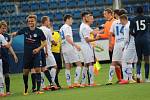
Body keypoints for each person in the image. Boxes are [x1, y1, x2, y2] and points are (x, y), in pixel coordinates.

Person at [11, 15, 47, 95]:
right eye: (29, 21)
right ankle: (26, 88)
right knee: (25, 72)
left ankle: (38, 89)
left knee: (38, 70)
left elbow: (45, 42)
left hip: (36, 55)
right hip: (27, 55)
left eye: (32, 21)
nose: (30, 22)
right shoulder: (25, 30)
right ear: (28, 22)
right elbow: (16, 33)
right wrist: (13, 34)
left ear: (35, 22)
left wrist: (38, 49)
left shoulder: (39, 31)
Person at [60, 14, 82, 88]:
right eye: (71, 19)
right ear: (68, 19)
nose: (72, 21)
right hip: (69, 48)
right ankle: (75, 82)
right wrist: (75, 45)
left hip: (64, 48)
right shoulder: (68, 27)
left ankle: (69, 84)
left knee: (67, 66)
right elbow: (67, 38)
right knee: (79, 64)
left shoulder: (61, 28)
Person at [106, 9, 127, 85]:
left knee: (113, 62)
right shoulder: (126, 22)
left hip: (117, 44)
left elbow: (110, 34)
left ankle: (109, 80)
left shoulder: (114, 22)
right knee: (126, 62)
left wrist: (110, 43)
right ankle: (127, 78)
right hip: (125, 43)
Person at [79, 13, 101, 87]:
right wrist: (96, 38)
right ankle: (91, 82)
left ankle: (83, 82)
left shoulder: (85, 26)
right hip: (86, 47)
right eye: (91, 18)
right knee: (91, 63)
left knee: (86, 64)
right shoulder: (85, 27)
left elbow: (94, 32)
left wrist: (103, 28)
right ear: (86, 18)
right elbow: (87, 39)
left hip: (86, 46)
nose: (92, 20)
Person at [130, 6, 150, 83]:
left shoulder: (133, 20)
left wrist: (136, 36)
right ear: (143, 11)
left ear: (136, 12)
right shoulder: (147, 18)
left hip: (137, 40)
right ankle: (147, 78)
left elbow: (131, 32)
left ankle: (138, 74)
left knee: (139, 58)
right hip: (146, 40)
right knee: (147, 59)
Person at [39, 16, 58, 90]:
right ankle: (52, 82)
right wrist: (55, 43)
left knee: (43, 68)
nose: (49, 22)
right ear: (46, 21)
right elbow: (52, 41)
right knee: (54, 66)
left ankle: (43, 86)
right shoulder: (47, 30)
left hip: (40, 50)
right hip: (47, 50)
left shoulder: (39, 29)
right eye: (49, 21)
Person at [0, 20, 18, 95]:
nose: (4, 30)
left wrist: (14, 55)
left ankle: (7, 91)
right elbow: (8, 45)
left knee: (6, 74)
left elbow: (9, 47)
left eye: (5, 28)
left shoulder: (6, 36)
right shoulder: (1, 36)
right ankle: (2, 91)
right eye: (3, 28)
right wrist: (11, 39)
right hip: (1, 57)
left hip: (5, 57)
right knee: (1, 75)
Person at [119, 14, 137, 84]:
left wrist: (123, 46)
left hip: (129, 45)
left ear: (124, 19)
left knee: (125, 61)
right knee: (132, 61)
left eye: (121, 21)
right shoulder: (131, 23)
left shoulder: (126, 27)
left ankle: (127, 79)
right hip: (134, 44)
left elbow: (126, 39)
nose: (121, 23)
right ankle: (134, 77)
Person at [49, 19, 62, 89]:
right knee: (54, 67)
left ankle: (53, 79)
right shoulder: (47, 33)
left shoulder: (57, 33)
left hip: (58, 52)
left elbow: (59, 44)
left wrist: (61, 53)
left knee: (59, 67)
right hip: (52, 52)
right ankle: (54, 82)